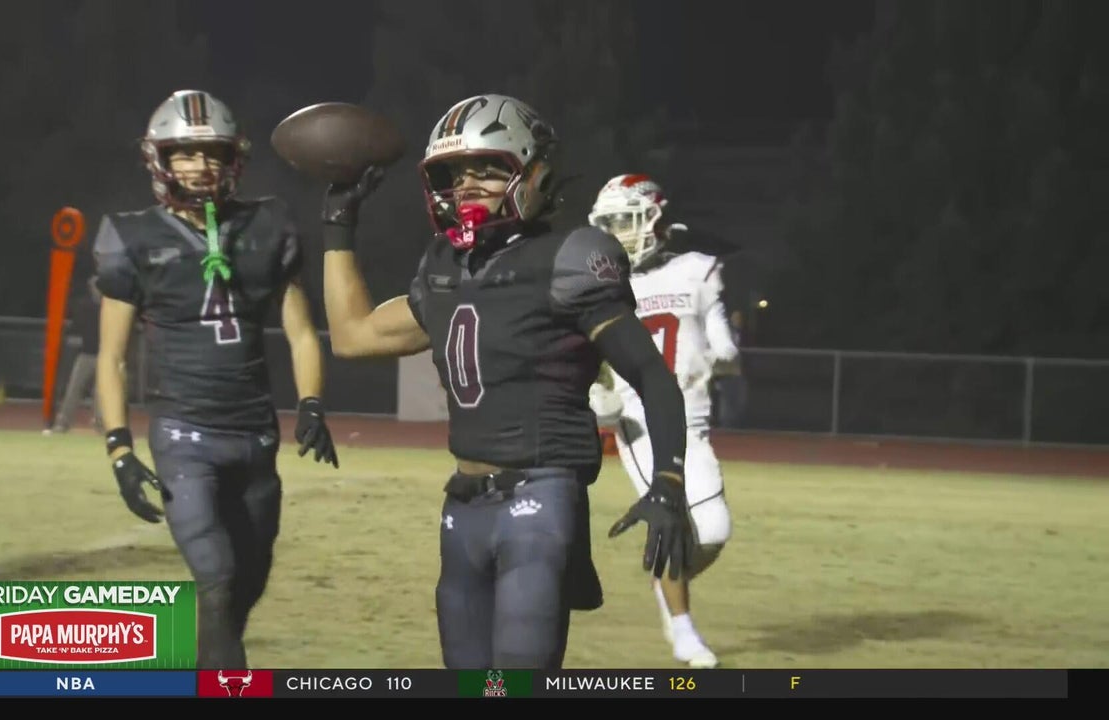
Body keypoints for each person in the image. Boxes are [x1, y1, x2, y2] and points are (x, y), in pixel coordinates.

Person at [317, 94, 694, 669]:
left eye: (487, 168)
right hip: (462, 505)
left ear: (533, 172)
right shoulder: (444, 266)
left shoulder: (570, 258)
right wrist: (338, 227)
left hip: (540, 496)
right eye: (454, 173)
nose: (466, 185)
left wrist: (668, 481)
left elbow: (650, 373)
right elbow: (351, 336)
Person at [93, 90, 339, 668]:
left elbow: (302, 332)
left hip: (255, 435)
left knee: (243, 587)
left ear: (234, 159)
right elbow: (111, 357)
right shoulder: (133, 237)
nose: (200, 166)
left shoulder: (268, 224)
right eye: (185, 153)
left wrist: (311, 403)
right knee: (217, 577)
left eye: (212, 153)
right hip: (185, 436)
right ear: (159, 159)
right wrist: (119, 448)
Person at [586, 173, 738, 668]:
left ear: (653, 218)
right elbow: (585, 355)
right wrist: (596, 394)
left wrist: (721, 351)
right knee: (676, 523)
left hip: (692, 420)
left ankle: (667, 580)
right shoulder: (600, 285)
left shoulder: (695, 269)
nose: (618, 234)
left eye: (625, 221)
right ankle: (683, 628)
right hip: (640, 422)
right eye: (610, 224)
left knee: (713, 529)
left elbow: (720, 339)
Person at [46, 275, 103, 434]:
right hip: (86, 353)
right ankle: (63, 423)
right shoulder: (85, 306)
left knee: (101, 393)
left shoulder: (109, 308)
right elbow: (75, 326)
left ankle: (100, 425)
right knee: (73, 388)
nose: (96, 290)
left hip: (104, 355)